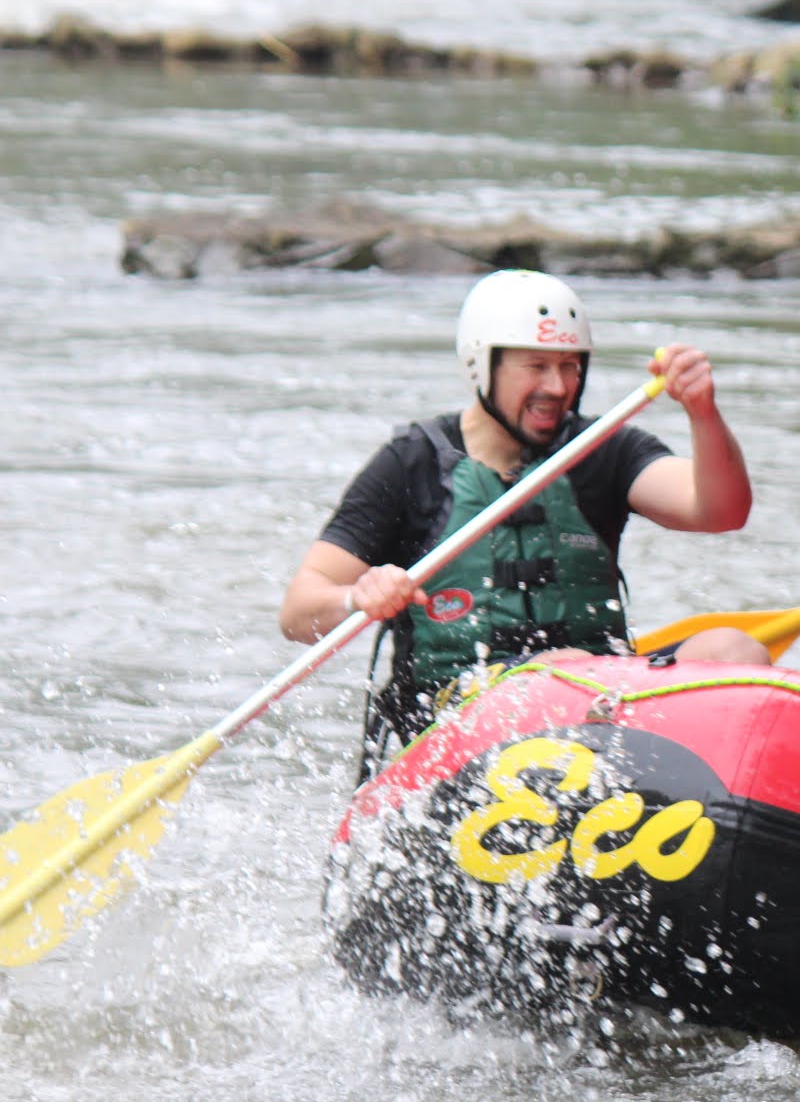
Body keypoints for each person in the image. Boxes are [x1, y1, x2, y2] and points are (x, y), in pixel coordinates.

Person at [280, 269, 766, 771]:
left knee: (735, 650)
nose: (557, 387)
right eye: (536, 366)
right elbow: (297, 613)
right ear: (480, 365)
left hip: (599, 694)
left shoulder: (603, 450)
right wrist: (356, 597)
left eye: (570, 367)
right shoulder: (411, 465)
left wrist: (702, 413)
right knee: (564, 672)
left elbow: (720, 511)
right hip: (455, 722)